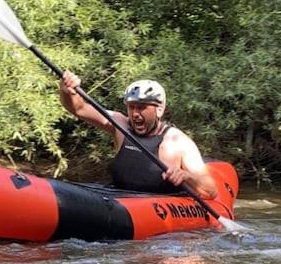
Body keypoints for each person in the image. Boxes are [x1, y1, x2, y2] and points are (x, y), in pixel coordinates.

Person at [59, 72, 218, 198]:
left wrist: (186, 176)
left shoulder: (177, 142)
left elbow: (210, 190)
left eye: (141, 107)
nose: (135, 114)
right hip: (117, 201)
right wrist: (69, 92)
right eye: (131, 107)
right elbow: (79, 109)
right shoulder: (120, 125)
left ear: (159, 109)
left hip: (156, 213)